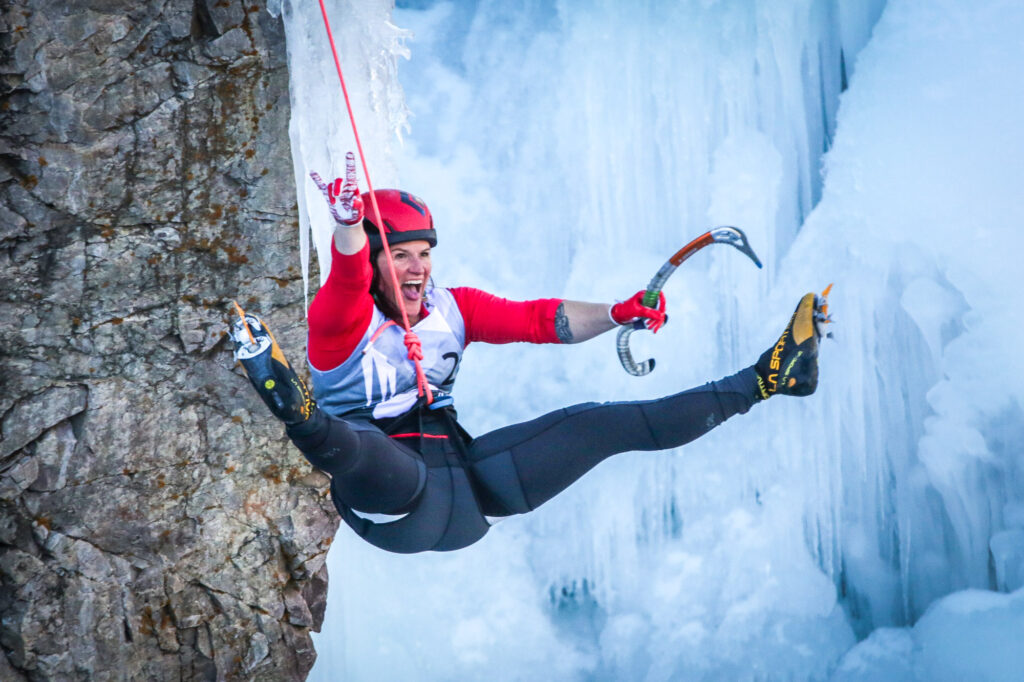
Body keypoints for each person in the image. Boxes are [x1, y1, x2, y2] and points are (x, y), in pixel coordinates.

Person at [229, 153, 824, 554]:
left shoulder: (453, 308)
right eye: (401, 255)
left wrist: (617, 312)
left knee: (605, 423)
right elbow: (345, 275)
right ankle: (290, 401)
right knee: (349, 441)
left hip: (468, 493)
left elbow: (540, 320)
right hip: (389, 499)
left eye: (424, 254)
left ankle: (773, 377)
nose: (417, 268)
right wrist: (349, 224)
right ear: (378, 263)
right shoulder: (343, 321)